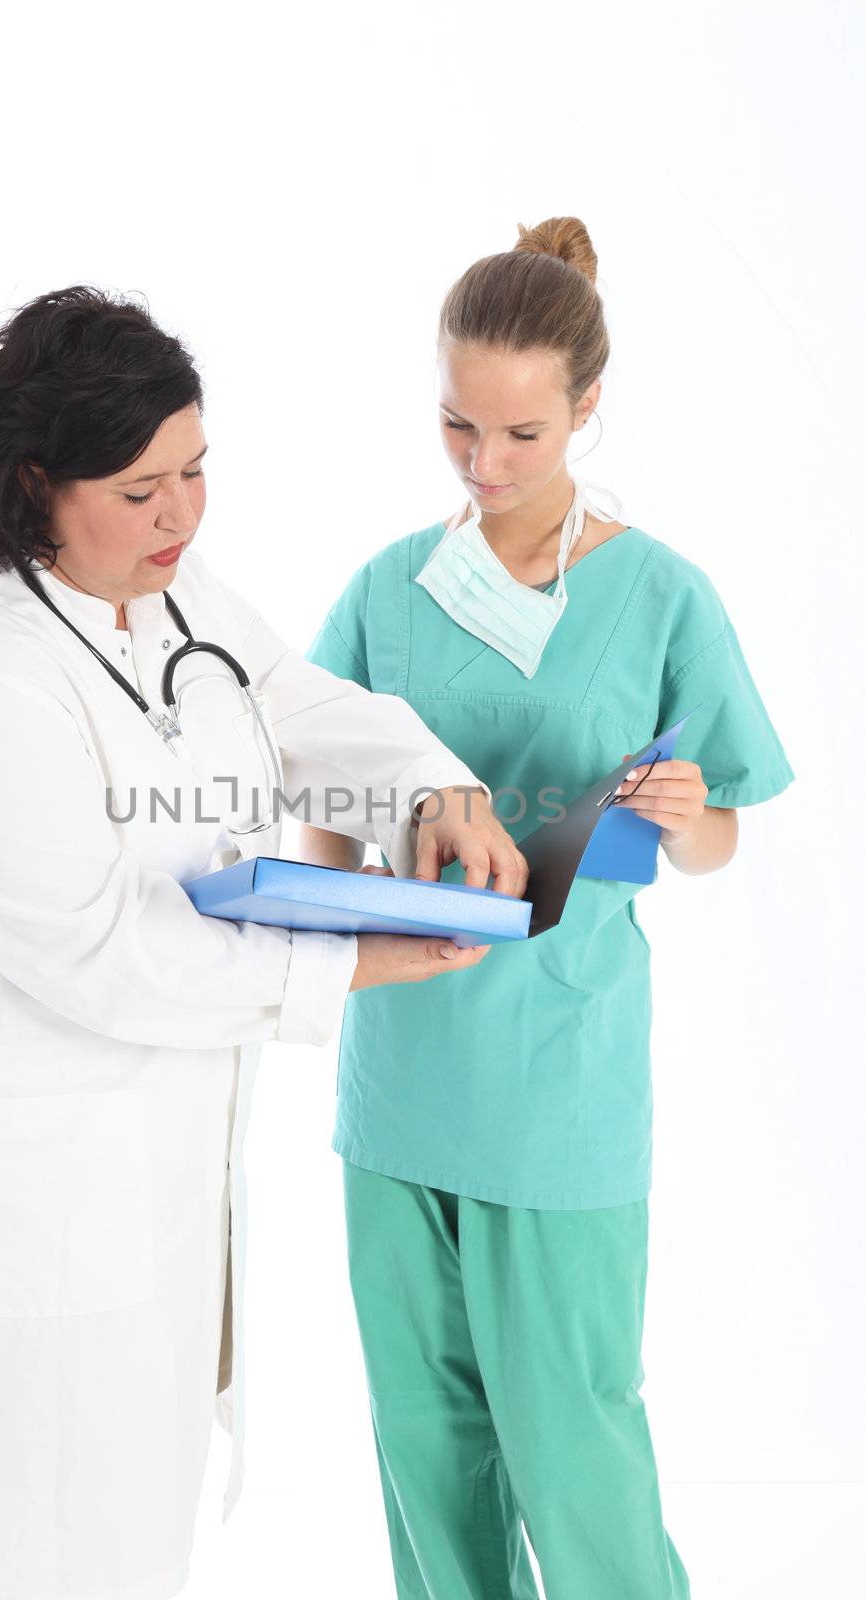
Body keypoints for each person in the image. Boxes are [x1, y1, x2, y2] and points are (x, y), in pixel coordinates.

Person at [0, 284, 529, 1600]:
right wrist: (349, 962)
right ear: (32, 484)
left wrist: (425, 787)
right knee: (31, 1549)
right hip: (26, 1202)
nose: (180, 513)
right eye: (139, 487)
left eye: (196, 470)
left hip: (157, 1181)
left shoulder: (165, 593)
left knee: (134, 1542)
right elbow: (102, 950)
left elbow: (288, 700)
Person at [300, 217, 795, 1600]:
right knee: (427, 1449)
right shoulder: (389, 589)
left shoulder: (658, 595)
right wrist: (336, 910)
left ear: (588, 410)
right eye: (459, 426)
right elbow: (323, 792)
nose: (486, 465)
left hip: (560, 1082)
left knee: (574, 1446)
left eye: (523, 434)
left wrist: (691, 818)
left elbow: (721, 842)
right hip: (401, 1078)